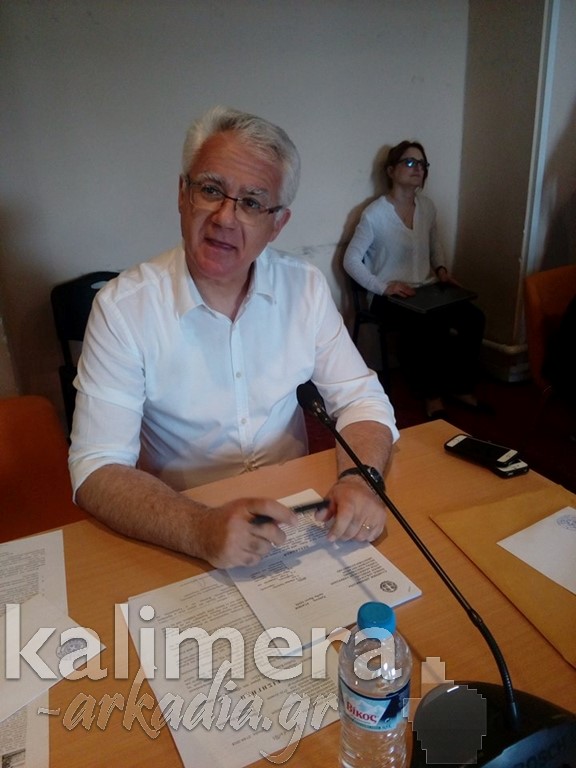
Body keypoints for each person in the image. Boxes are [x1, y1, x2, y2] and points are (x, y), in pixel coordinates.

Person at [69, 106, 398, 569]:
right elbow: (96, 467)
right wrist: (198, 528)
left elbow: (361, 399)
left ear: (277, 224)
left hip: (297, 517)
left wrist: (360, 480)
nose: (225, 217)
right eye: (210, 190)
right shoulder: (123, 308)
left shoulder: (303, 287)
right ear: (182, 195)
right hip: (183, 524)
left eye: (252, 203)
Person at [343, 140, 486, 419]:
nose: (417, 168)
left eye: (422, 164)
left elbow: (434, 244)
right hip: (389, 297)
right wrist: (383, 287)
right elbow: (350, 260)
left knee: (473, 318)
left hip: (425, 291)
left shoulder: (427, 207)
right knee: (429, 324)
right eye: (409, 162)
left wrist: (441, 269)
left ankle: (461, 386)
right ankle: (432, 395)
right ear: (391, 170)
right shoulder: (375, 214)